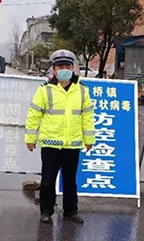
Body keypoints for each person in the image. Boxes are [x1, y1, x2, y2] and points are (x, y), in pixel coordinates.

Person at [25, 49, 96, 224]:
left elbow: (87, 116)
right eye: (60, 66)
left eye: (67, 66)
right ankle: (46, 211)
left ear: (73, 68)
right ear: (54, 69)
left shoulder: (82, 91)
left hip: (72, 144)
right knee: (48, 180)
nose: (64, 69)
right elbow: (34, 115)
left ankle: (71, 211)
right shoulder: (45, 90)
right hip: (51, 144)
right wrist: (30, 138)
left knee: (70, 180)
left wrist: (89, 140)